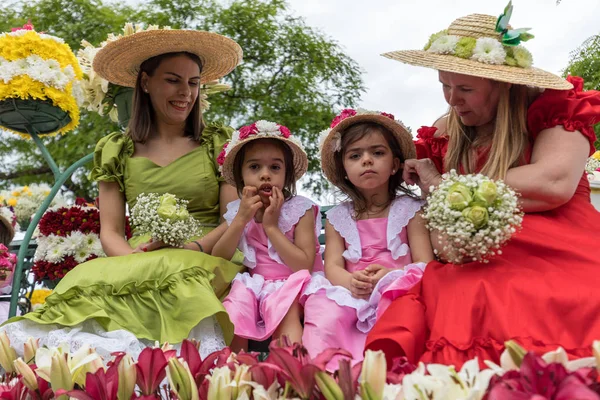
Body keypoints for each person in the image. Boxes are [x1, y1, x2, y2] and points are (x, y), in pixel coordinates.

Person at [366, 5, 600, 369]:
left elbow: (553, 183)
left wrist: (443, 184)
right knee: (457, 295)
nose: (452, 98)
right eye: (443, 85)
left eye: (465, 88)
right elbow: (444, 234)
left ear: (504, 85)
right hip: (477, 258)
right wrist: (437, 193)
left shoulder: (554, 108)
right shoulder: (444, 131)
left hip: (564, 252)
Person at [1, 28, 245, 359]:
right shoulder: (115, 149)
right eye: (173, 80)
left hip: (209, 251)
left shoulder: (219, 142)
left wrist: (192, 246)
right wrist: (131, 263)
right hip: (138, 257)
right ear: (145, 82)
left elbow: (232, 219)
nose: (186, 92)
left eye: (193, 82)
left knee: (178, 277)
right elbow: (111, 231)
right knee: (84, 277)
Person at [301, 109, 434, 369]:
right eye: (355, 155)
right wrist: (351, 281)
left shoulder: (410, 209)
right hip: (351, 292)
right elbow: (332, 266)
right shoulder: (339, 216)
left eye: (377, 153)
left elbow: (424, 264)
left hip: (398, 287)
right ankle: (327, 374)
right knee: (323, 310)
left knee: (402, 310)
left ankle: (391, 375)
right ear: (344, 169)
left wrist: (389, 275)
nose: (367, 160)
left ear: (395, 164)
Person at [213, 120, 323, 350]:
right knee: (234, 311)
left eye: (275, 167)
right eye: (254, 167)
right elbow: (220, 255)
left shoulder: (299, 209)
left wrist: (272, 227)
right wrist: (241, 219)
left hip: (294, 282)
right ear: (241, 175)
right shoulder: (240, 210)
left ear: (287, 174)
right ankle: (235, 375)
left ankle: (290, 371)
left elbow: (304, 265)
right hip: (255, 284)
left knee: (286, 312)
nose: (265, 175)